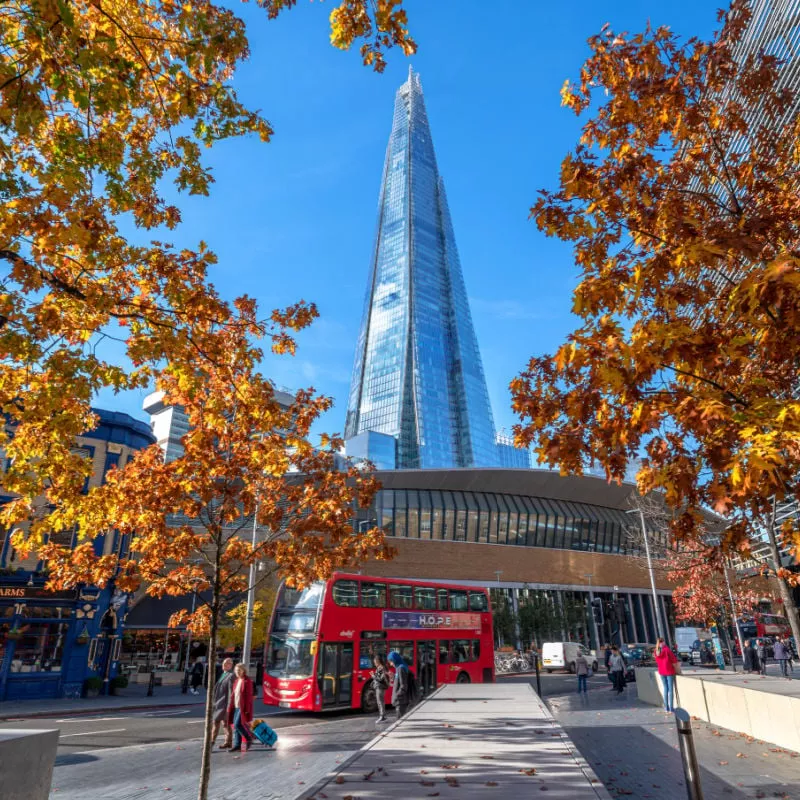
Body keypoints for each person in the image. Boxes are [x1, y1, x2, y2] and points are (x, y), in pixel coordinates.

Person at [228, 662, 255, 752]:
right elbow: (234, 694)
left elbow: (248, 697)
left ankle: (248, 738)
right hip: (236, 705)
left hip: (242, 707)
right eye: (236, 670)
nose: (237, 672)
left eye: (239, 670)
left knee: (237, 724)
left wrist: (247, 709)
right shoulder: (236, 681)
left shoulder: (247, 681)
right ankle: (237, 745)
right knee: (235, 726)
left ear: (244, 671)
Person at [211, 658, 235, 749]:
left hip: (224, 704)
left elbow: (230, 692)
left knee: (218, 722)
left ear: (231, 665)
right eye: (223, 663)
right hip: (218, 703)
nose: (224, 665)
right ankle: (228, 742)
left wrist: (229, 706)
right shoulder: (223, 674)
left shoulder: (231, 675)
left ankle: (211, 742)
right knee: (224, 724)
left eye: (227, 663)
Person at [653, 637, 678, 712]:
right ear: (663, 642)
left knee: (665, 688)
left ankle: (666, 707)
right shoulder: (666, 650)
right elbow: (674, 660)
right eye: (664, 642)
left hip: (661, 671)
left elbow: (656, 659)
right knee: (670, 689)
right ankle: (671, 707)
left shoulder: (656, 651)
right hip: (669, 671)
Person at [388, 651, 410, 718]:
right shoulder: (399, 668)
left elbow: (403, 685)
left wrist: (397, 695)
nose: (391, 664)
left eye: (391, 662)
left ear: (395, 660)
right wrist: (393, 676)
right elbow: (399, 681)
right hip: (400, 700)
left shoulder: (400, 668)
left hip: (401, 701)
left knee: (400, 719)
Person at [371, 653, 390, 724]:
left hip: (380, 687)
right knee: (380, 702)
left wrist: (373, 676)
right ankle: (382, 716)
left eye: (375, 662)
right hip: (379, 687)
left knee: (380, 702)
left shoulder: (382, 668)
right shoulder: (380, 668)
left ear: (378, 661)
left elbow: (381, 679)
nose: (374, 663)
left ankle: (382, 716)